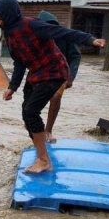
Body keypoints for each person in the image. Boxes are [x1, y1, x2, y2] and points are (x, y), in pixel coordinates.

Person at [0, 0, 105, 173]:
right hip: (36, 73)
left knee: (32, 111)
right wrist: (12, 88)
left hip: (55, 71)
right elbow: (19, 64)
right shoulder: (9, 34)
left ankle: (44, 160)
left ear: (8, 14)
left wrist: (90, 40)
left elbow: (63, 33)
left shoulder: (32, 25)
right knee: (26, 114)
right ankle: (40, 152)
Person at [36, 11, 81, 143]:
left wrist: (70, 77)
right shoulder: (36, 36)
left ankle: (48, 131)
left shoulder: (64, 35)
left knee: (55, 97)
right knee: (32, 102)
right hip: (41, 73)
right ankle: (33, 126)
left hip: (61, 73)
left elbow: (75, 56)